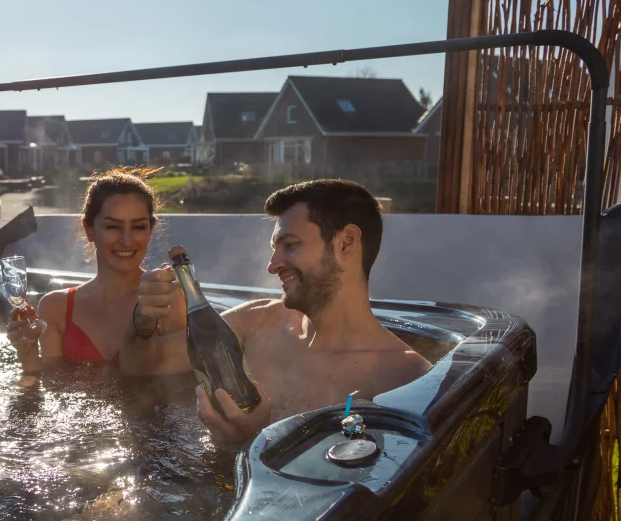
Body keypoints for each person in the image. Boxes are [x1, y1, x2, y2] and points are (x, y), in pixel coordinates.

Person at [121, 178, 431, 446]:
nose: (272, 265)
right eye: (273, 248)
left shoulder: (406, 380)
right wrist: (144, 316)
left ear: (346, 243)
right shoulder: (255, 321)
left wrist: (253, 442)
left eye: (290, 245)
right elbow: (139, 367)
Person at [7, 169, 161, 376]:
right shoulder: (56, 308)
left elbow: (186, 392)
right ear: (89, 230)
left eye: (138, 227)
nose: (127, 240)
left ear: (150, 231)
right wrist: (28, 357)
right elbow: (48, 391)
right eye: (113, 227)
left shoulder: (166, 302)